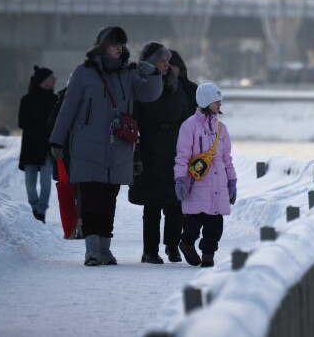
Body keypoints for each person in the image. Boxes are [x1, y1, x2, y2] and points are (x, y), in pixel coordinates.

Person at [50, 25, 163, 266]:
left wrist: (153, 75)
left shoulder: (128, 74)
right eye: (114, 43)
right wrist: (57, 140)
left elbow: (149, 95)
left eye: (121, 44)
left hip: (118, 148)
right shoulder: (83, 73)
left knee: (108, 200)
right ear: (102, 45)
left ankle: (104, 249)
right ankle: (91, 251)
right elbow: (67, 108)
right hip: (87, 145)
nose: (119, 48)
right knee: (90, 198)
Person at [129, 44, 193, 264]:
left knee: (175, 202)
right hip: (148, 146)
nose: (166, 65)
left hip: (174, 148)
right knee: (152, 204)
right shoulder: (139, 85)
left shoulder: (176, 86)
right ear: (149, 63)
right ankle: (150, 251)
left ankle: (172, 246)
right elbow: (133, 118)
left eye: (167, 61)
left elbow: (185, 117)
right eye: (161, 60)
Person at [173, 82, 237, 268]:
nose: (220, 104)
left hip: (218, 184)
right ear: (205, 101)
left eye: (220, 101)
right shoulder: (189, 126)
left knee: (215, 224)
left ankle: (208, 255)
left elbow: (227, 157)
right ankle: (186, 242)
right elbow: (182, 156)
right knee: (194, 222)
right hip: (196, 184)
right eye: (216, 101)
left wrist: (232, 180)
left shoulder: (221, 128)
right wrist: (179, 179)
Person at [18, 66, 56, 223]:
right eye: (51, 77)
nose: (54, 80)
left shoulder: (55, 100)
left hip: (47, 147)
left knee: (46, 182)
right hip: (30, 147)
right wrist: (42, 129)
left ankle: (41, 212)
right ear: (43, 80)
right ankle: (34, 207)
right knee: (30, 183)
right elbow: (22, 122)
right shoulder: (26, 99)